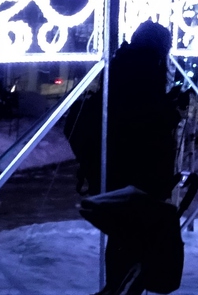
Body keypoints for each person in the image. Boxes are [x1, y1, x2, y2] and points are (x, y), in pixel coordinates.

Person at [78, 20, 186, 295]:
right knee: (135, 237)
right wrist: (171, 112)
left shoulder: (124, 63)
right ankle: (120, 287)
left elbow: (130, 112)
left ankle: (117, 285)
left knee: (124, 234)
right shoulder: (146, 66)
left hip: (120, 166)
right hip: (137, 170)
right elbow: (142, 120)